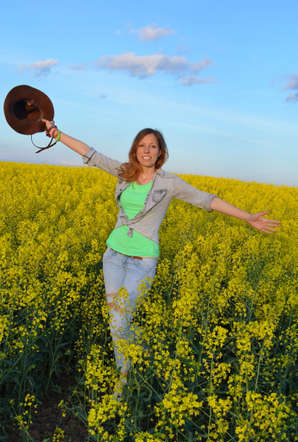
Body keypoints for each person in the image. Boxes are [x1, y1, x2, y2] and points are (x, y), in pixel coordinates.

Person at [42, 120, 281, 400]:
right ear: (135, 150)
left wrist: (248, 217)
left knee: (119, 322)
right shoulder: (124, 172)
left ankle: (123, 379)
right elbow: (90, 153)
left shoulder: (169, 183)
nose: (147, 150)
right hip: (113, 257)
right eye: (142, 145)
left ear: (160, 152)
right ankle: (140, 348)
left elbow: (207, 200)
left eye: (152, 146)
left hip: (142, 262)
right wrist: (56, 134)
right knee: (116, 319)